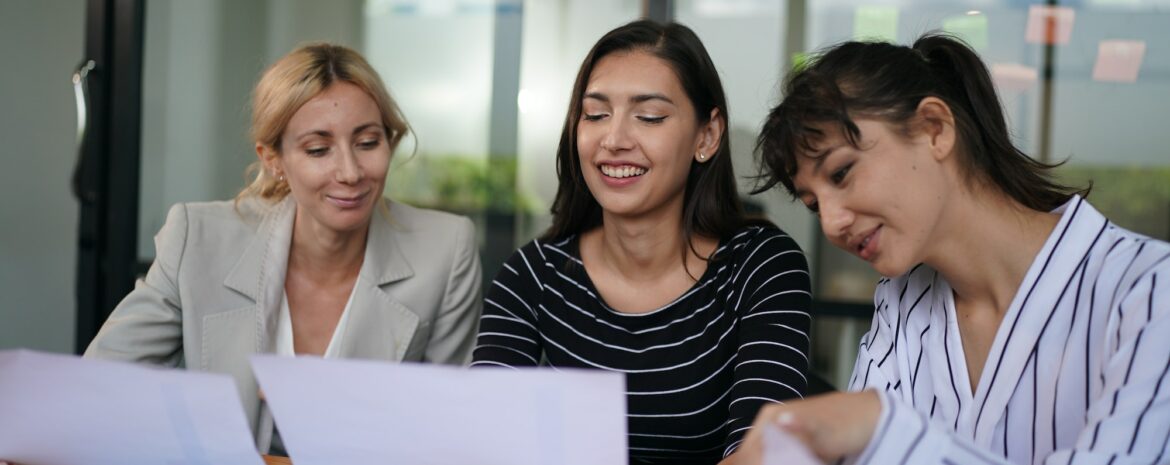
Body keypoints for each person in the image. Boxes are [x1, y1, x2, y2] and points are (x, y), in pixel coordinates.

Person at [737, 33, 1170, 464]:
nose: (832, 224)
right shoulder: (903, 303)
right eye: (814, 206)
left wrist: (882, 426)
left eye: (842, 173)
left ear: (934, 129)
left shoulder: (1150, 291)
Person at [83, 43, 483, 453]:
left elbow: (454, 433)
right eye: (317, 149)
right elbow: (98, 388)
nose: (350, 172)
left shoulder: (445, 250)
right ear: (273, 159)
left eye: (367, 142)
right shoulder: (198, 238)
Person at [471, 20, 812, 465]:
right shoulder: (534, 274)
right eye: (595, 115)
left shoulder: (761, 266)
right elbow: (483, 439)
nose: (613, 140)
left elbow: (766, 453)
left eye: (649, 117)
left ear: (707, 136)